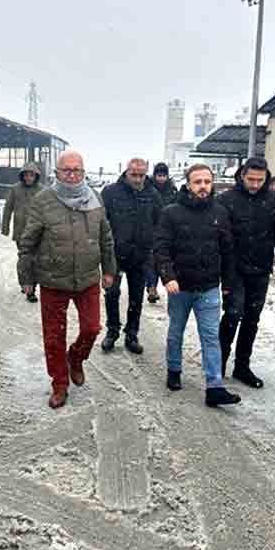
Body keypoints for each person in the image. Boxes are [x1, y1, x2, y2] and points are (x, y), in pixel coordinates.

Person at [17, 150, 116, 409]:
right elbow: (28, 243)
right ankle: (59, 383)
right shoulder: (43, 200)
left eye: (77, 170)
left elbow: (105, 237)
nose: (72, 175)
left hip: (87, 279)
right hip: (53, 280)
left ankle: (76, 357)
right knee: (53, 336)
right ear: (57, 173)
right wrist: (26, 277)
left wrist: (109, 269)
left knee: (92, 328)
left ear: (84, 173)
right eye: (66, 170)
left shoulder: (95, 199)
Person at [155, 163, 240, 407]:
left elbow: (227, 250)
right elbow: (161, 248)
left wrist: (227, 282)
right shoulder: (171, 212)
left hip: (209, 288)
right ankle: (174, 370)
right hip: (179, 288)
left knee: (211, 337)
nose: (203, 186)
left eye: (207, 182)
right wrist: (168, 276)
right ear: (188, 184)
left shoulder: (219, 212)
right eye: (197, 182)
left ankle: (214, 387)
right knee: (175, 332)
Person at [217, 157, 275, 390]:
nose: (255, 184)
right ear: (242, 175)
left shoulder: (273, 202)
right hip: (234, 269)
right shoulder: (226, 200)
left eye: (260, 180)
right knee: (232, 314)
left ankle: (242, 366)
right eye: (251, 179)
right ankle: (217, 365)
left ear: (266, 178)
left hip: (260, 268)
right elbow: (217, 236)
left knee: (252, 319)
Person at [101, 157, 162, 354]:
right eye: (133, 175)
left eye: (141, 175)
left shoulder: (152, 195)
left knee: (136, 296)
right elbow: (101, 223)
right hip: (115, 254)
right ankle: (112, 330)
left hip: (141, 255)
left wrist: (152, 247)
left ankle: (132, 333)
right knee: (112, 293)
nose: (137, 179)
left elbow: (159, 223)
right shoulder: (110, 193)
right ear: (126, 172)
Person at [1, 161, 43, 302]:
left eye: (31, 175)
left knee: (35, 260)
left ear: (36, 176)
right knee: (25, 259)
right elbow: (8, 209)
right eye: (26, 175)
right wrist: (5, 227)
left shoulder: (42, 191)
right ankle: (27, 286)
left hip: (38, 231)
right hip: (21, 231)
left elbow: (48, 210)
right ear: (22, 176)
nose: (28, 178)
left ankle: (32, 286)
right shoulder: (15, 189)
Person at [147, 162, 179, 303]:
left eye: (163, 175)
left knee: (164, 259)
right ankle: (152, 287)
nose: (161, 178)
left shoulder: (172, 190)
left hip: (168, 229)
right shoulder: (148, 189)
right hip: (151, 229)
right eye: (159, 175)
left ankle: (163, 284)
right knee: (151, 261)